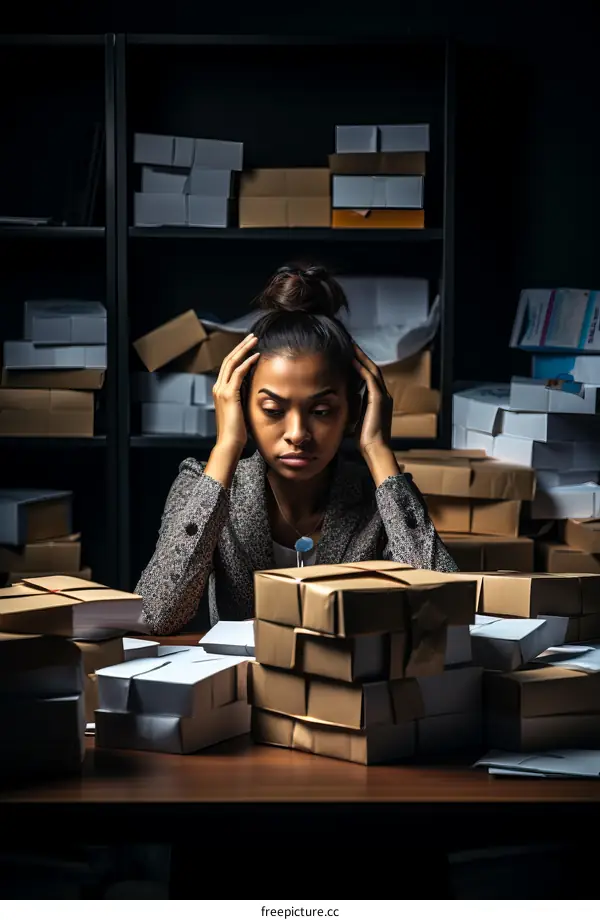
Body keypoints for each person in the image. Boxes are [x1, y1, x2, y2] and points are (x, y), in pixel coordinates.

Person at [136, 264, 457, 635]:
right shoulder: (204, 487)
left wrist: (377, 448)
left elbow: (447, 613)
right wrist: (226, 445)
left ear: (354, 410)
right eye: (273, 410)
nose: (297, 433)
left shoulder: (381, 501)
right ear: (240, 407)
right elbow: (156, 615)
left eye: (321, 411)